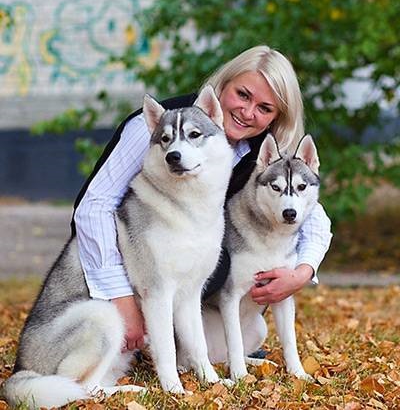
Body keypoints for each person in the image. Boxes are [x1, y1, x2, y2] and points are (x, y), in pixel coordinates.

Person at [72, 45, 332, 353]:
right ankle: (136, 335)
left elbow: (313, 216)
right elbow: (94, 206)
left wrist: (301, 273)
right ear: (222, 85)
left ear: (276, 118)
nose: (248, 113)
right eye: (243, 95)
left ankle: (163, 346)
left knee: (251, 331)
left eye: (265, 109)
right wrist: (120, 296)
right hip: (130, 266)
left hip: (189, 282)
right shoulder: (162, 127)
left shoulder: (263, 151)